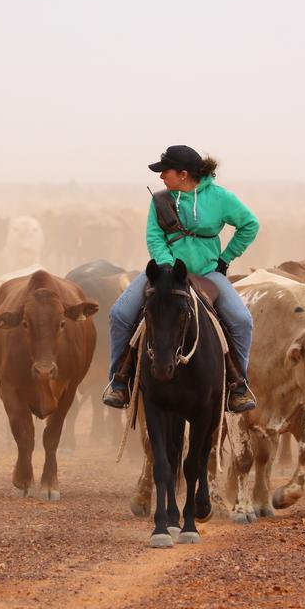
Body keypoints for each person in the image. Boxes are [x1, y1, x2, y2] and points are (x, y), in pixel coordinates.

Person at [103, 145, 259, 412]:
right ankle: (119, 382)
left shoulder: (221, 199)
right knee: (120, 313)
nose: (161, 177)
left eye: (166, 171)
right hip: (166, 273)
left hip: (208, 272)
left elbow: (249, 224)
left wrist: (225, 258)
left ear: (183, 174)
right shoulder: (161, 201)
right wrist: (167, 267)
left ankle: (237, 386)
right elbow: (155, 237)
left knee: (242, 321)